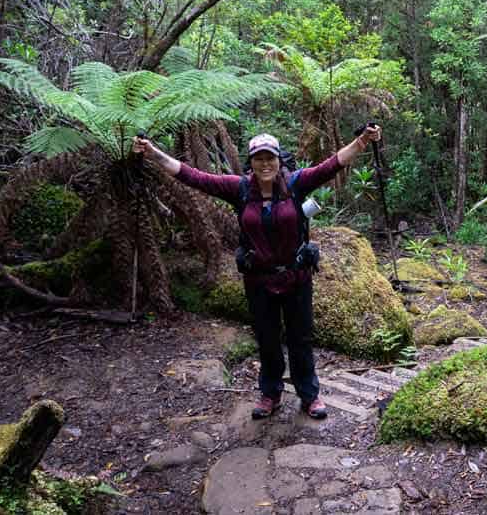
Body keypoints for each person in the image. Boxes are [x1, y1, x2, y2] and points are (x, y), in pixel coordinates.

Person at [133, 125, 382, 420]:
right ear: (251, 162)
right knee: (266, 338)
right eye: (258, 158)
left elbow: (334, 163)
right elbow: (192, 176)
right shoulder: (239, 188)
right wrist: (152, 153)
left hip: (296, 276)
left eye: (270, 158)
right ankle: (270, 393)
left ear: (279, 160)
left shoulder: (297, 183)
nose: (265, 164)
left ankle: (309, 395)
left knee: (300, 338)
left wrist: (363, 140)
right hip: (259, 280)